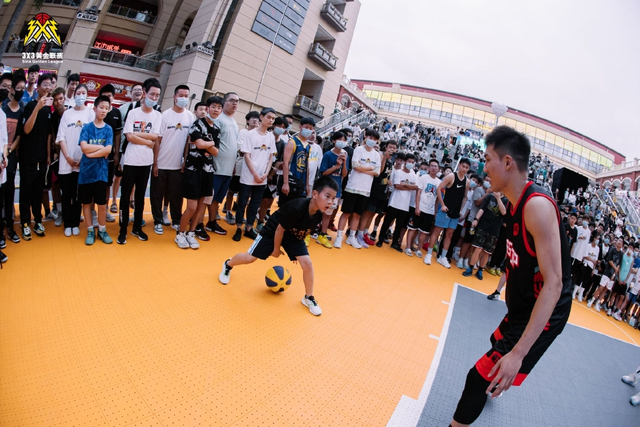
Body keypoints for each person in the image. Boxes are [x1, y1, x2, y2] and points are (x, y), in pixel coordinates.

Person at [450, 126, 572, 427]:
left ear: (507, 162)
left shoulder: (537, 207)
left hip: (544, 309)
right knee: (496, 347)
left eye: (487, 160)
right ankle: (497, 382)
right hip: (523, 305)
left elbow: (554, 284)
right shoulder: (514, 204)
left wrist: (518, 354)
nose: (483, 168)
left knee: (478, 377)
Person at [218, 175, 339, 316]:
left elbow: (303, 232)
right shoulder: (297, 208)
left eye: (333, 198)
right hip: (273, 230)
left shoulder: (318, 214)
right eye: (327, 196)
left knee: (307, 263)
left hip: (292, 234)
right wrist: (276, 250)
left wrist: (295, 253)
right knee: (249, 258)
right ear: (315, 194)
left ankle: (308, 297)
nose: (330, 202)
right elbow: (279, 230)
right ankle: (228, 264)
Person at [118, 79, 163, 244]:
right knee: (125, 196)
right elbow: (129, 137)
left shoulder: (157, 115)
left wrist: (138, 135)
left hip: (146, 162)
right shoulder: (133, 113)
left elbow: (155, 136)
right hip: (131, 160)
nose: (154, 98)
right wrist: (146, 141)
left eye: (157, 95)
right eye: (152, 94)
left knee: (140, 196)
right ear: (144, 93)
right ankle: (123, 229)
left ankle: (137, 227)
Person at [175, 96, 221, 249]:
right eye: (213, 107)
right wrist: (210, 143)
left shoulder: (217, 129)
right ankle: (180, 234)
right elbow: (200, 144)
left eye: (219, 108)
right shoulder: (197, 124)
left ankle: (191, 233)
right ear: (207, 108)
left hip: (208, 171)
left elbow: (216, 152)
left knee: (201, 207)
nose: (216, 110)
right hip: (193, 170)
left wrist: (206, 144)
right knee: (192, 207)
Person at [151, 85, 193, 235]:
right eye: (181, 95)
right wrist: (155, 163)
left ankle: (176, 220)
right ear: (174, 97)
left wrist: (185, 160)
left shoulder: (190, 116)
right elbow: (157, 140)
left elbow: (188, 141)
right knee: (157, 194)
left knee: (176, 195)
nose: (183, 98)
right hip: (162, 163)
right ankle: (157, 221)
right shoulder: (165, 115)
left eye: (186, 96)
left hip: (178, 165)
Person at [16, 73, 54, 239]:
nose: (47, 87)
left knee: (38, 193)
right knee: (25, 192)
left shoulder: (48, 109)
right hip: (27, 158)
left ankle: (38, 220)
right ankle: (25, 222)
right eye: (44, 84)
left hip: (42, 159)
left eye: (49, 85)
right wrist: (37, 108)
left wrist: (48, 156)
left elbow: (48, 135)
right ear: (38, 87)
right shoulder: (30, 106)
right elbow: (26, 129)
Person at [232, 107, 277, 242]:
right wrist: (255, 174)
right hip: (248, 176)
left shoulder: (271, 136)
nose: (271, 120)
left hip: (262, 178)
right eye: (268, 117)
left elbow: (271, 157)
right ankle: (238, 227)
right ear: (261, 117)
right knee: (242, 202)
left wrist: (266, 173)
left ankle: (249, 228)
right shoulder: (250, 134)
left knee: (255, 204)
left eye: (273, 118)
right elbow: (247, 156)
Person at [55, 83, 94, 237]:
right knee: (67, 194)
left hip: (83, 162)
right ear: (74, 94)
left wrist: (83, 157)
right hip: (67, 162)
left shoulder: (90, 114)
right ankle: (67, 223)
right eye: (78, 92)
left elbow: (92, 138)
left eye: (83, 93)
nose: (80, 95)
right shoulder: (67, 114)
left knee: (78, 195)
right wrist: (68, 157)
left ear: (87, 95)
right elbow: (61, 137)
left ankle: (75, 222)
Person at [334, 129, 381, 249]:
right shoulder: (358, 150)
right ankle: (339, 237)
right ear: (366, 137)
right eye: (370, 138)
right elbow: (355, 166)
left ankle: (351, 237)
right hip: (352, 187)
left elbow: (377, 172)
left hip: (365, 190)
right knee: (346, 213)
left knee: (357, 215)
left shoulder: (376, 155)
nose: (372, 141)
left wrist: (363, 168)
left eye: (375, 139)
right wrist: (370, 167)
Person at [78, 95, 113, 245]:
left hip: (101, 173)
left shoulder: (108, 129)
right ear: (95, 108)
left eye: (106, 108)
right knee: (86, 203)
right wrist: (100, 148)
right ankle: (90, 231)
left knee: (102, 204)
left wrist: (92, 153)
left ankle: (102, 230)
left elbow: (108, 150)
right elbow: (84, 148)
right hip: (86, 173)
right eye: (101, 107)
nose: (104, 110)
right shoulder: (86, 128)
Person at [425, 157, 470, 267]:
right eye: (463, 166)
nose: (464, 169)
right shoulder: (451, 176)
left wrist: (460, 209)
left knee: (449, 235)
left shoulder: (467, 181)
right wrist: (442, 204)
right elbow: (439, 188)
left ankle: (443, 257)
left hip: (455, 213)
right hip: (445, 210)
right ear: (459, 165)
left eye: (467, 167)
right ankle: (429, 254)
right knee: (437, 231)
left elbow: (465, 197)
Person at [205, 92, 239, 236]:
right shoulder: (218, 119)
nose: (235, 103)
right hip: (216, 167)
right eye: (232, 100)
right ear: (224, 102)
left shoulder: (234, 122)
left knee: (218, 198)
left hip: (228, 168)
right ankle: (199, 223)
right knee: (208, 198)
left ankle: (212, 222)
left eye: (237, 101)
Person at [375, 153, 418, 251]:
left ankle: (395, 243)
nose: (410, 163)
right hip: (394, 202)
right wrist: (409, 186)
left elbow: (415, 187)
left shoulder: (413, 175)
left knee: (399, 226)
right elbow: (397, 186)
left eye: (412, 162)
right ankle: (380, 239)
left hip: (405, 205)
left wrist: (404, 185)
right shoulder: (398, 172)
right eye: (409, 161)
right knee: (386, 222)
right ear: (405, 162)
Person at [461, 190, 508, 280]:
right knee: (478, 248)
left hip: (494, 230)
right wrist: (476, 219)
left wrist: (498, 199)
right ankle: (470, 268)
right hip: (483, 226)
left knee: (487, 252)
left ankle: (480, 270)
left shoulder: (506, 201)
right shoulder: (489, 196)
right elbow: (482, 209)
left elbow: (504, 212)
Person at [2, 70, 25, 244]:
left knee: (9, 194)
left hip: (10, 159)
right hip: (1, 157)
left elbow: (19, 136)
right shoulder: (3, 110)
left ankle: (10, 227)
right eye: (17, 88)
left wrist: (9, 152)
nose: (20, 91)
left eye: (23, 88)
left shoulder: (22, 111)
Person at [317, 131, 348, 248]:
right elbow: (324, 172)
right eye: (339, 139)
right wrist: (336, 166)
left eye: (344, 140)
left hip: (336, 189)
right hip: (325, 188)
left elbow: (344, 174)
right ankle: (309, 232)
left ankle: (323, 234)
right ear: (334, 141)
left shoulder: (345, 156)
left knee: (328, 213)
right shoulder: (328, 155)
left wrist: (344, 162)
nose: (342, 142)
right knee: (317, 211)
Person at [97, 84, 122, 224]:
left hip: (110, 156)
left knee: (107, 184)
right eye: (104, 96)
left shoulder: (116, 113)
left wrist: (116, 153)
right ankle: (93, 212)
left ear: (113, 97)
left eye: (109, 96)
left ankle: (104, 210)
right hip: (95, 155)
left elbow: (118, 134)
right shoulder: (96, 112)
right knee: (94, 183)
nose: (107, 98)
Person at [279, 117, 315, 208]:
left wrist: (307, 185)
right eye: (306, 127)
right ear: (300, 127)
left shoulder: (308, 146)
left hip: (301, 183)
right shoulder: (292, 142)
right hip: (291, 181)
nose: (308, 130)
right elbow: (285, 163)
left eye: (311, 128)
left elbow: (307, 166)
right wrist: (285, 183)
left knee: (297, 210)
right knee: (285, 209)